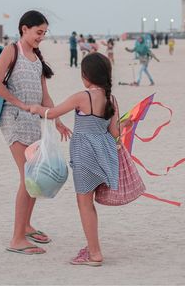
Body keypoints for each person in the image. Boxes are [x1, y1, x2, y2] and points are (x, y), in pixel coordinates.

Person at [0, 10, 72, 255]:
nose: (41, 37)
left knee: (34, 176)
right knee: (28, 177)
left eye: (44, 33)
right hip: (13, 119)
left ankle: (25, 226)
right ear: (24, 29)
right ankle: (17, 239)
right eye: (39, 32)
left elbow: (44, 94)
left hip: (33, 120)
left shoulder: (36, 56)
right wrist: (20, 104)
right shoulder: (11, 51)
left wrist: (56, 119)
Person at [30, 53, 119, 267]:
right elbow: (115, 132)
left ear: (87, 75)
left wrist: (34, 108)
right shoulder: (111, 99)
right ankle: (92, 246)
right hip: (104, 154)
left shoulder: (83, 96)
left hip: (85, 155)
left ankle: (95, 253)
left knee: (84, 203)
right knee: (88, 203)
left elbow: (52, 113)